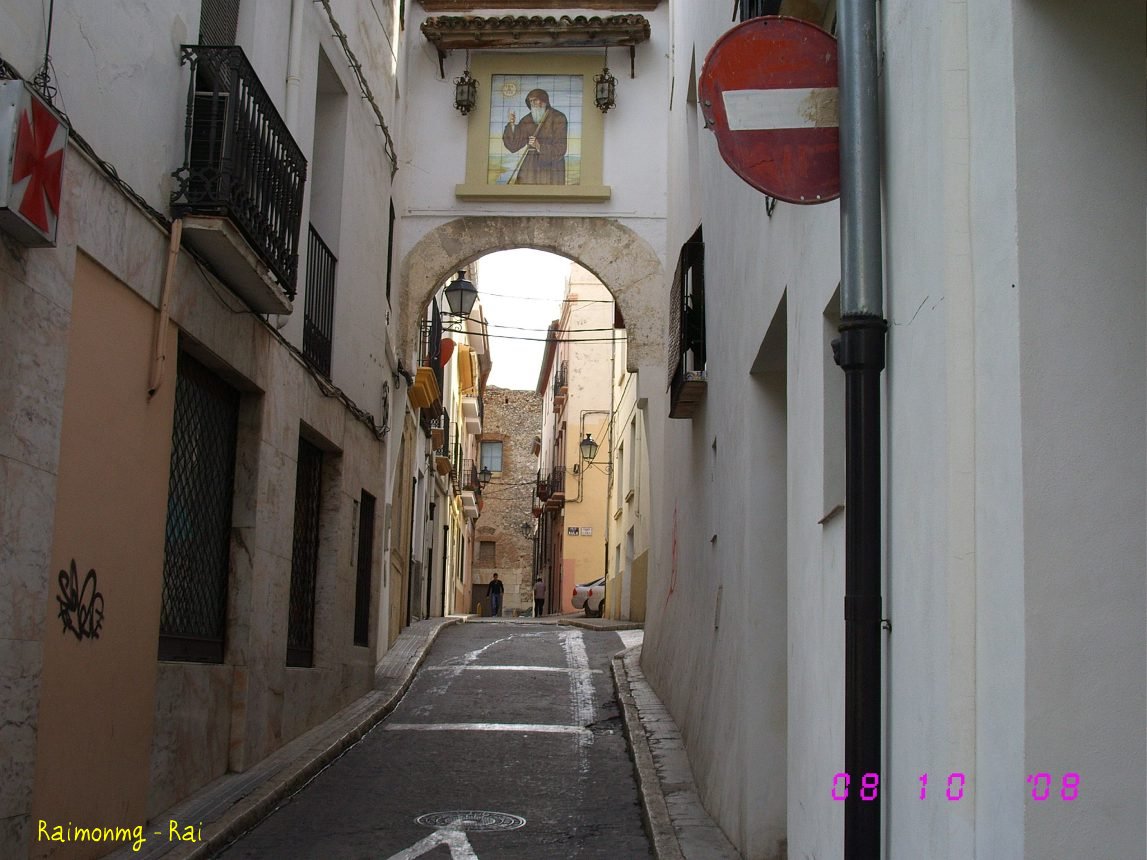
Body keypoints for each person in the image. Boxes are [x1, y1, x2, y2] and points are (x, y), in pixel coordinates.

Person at [502, 88, 568, 185]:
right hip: (530, 166)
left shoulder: (559, 117)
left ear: (544, 100)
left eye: (535, 100)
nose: (533, 103)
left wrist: (539, 146)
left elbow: (561, 148)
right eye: (531, 101)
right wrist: (511, 124)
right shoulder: (527, 119)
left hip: (552, 167)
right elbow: (514, 145)